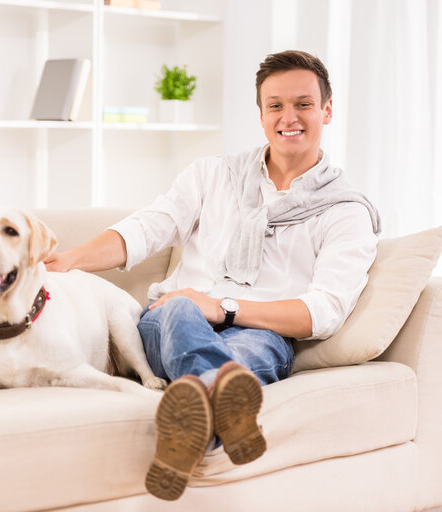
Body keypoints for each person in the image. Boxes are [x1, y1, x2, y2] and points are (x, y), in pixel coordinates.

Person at [45, 50, 380, 501]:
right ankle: (228, 413)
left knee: (249, 348)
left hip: (258, 334)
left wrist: (224, 307)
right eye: (276, 105)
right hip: (171, 319)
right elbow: (147, 227)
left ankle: (193, 425)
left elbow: (324, 312)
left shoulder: (345, 212)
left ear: (327, 110)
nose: (289, 117)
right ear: (261, 114)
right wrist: (71, 260)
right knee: (181, 307)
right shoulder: (212, 175)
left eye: (303, 104)